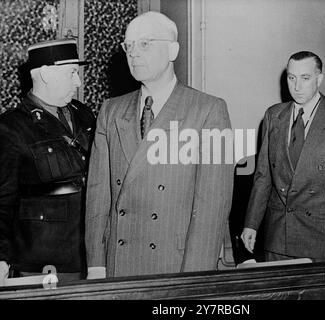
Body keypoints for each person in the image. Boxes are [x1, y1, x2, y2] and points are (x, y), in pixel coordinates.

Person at [85, 12, 233, 279]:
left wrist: (193, 280)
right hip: (119, 266)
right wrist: (96, 265)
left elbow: (213, 206)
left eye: (144, 43)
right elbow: (98, 196)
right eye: (128, 46)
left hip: (174, 266)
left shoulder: (210, 110)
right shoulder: (110, 110)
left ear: (173, 50)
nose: (134, 53)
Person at [241, 51, 325, 262]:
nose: (297, 86)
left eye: (305, 78)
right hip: (278, 234)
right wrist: (251, 223)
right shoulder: (273, 115)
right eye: (291, 78)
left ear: (319, 79)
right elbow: (263, 177)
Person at [0, 39, 95, 285]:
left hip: (89, 255)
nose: (79, 82)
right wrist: (1, 257)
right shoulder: (11, 128)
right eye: (72, 73)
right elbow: (2, 201)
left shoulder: (84, 115)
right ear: (44, 74)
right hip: (42, 264)